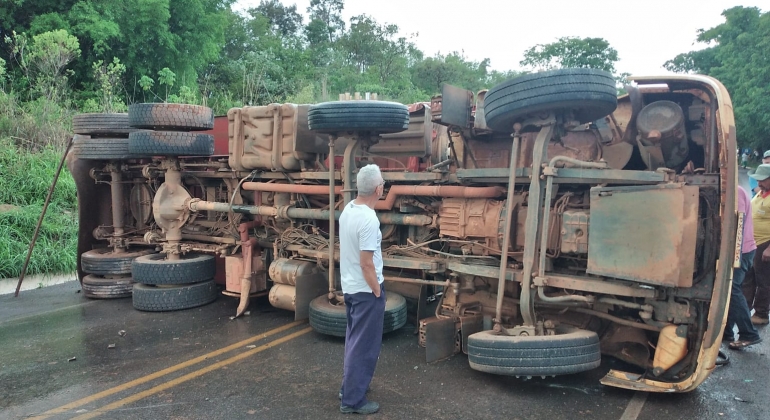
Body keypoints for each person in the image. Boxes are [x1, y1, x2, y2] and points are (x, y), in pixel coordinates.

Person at [338, 164, 386, 415]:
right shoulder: (368, 219)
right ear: (378, 189)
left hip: (351, 286)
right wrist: (377, 291)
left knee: (354, 341)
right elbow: (366, 263)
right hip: (366, 291)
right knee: (364, 346)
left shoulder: (348, 209)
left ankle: (349, 388)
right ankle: (353, 400)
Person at [724, 186, 762, 349]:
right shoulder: (731, 190)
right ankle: (726, 332)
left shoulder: (736, 191)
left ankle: (749, 333)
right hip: (739, 249)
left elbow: (737, 223)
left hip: (741, 250)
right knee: (728, 290)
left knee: (733, 289)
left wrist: (734, 256)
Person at [745, 164, 770, 325]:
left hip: (765, 244)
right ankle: (745, 309)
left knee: (763, 281)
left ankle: (761, 313)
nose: (759, 182)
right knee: (748, 280)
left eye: (763, 180)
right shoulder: (760, 194)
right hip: (753, 243)